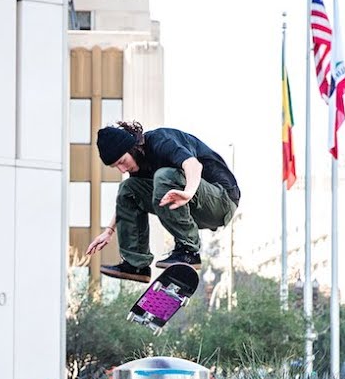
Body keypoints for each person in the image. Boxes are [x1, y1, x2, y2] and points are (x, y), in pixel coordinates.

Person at [86, 120, 241, 282]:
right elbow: (131, 197)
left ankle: (188, 251)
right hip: (194, 207)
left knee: (165, 176)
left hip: (221, 200)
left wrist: (188, 192)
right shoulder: (139, 166)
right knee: (129, 187)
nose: (122, 170)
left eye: (122, 162)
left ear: (133, 148)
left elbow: (193, 165)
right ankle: (136, 264)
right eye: (116, 167)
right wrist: (109, 231)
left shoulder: (160, 141)